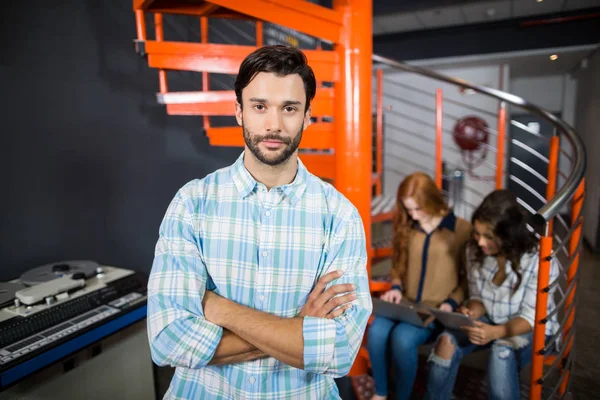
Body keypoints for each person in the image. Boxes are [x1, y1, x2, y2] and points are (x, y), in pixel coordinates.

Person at [146, 45, 372, 400]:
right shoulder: (192, 203)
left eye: (289, 108)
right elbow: (168, 341)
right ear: (238, 111)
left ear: (308, 115)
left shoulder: (339, 216)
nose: (273, 125)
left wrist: (219, 308)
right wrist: (298, 331)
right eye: (259, 106)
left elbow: (339, 351)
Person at [425, 189, 560, 400]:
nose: (479, 242)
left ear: (509, 235)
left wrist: (496, 332)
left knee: (502, 351)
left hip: (532, 327)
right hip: (492, 318)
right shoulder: (475, 251)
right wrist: (472, 310)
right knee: (445, 341)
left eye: (488, 236)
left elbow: (531, 317)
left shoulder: (539, 259)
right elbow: (479, 297)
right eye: (477, 233)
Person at [367, 172, 472, 400]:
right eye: (408, 209)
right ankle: (381, 393)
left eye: (418, 209)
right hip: (404, 303)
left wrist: (451, 302)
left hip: (434, 311)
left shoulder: (461, 230)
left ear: (432, 200)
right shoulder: (407, 225)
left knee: (402, 339)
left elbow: (468, 279)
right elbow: (398, 266)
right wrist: (395, 286)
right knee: (376, 331)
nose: (413, 215)